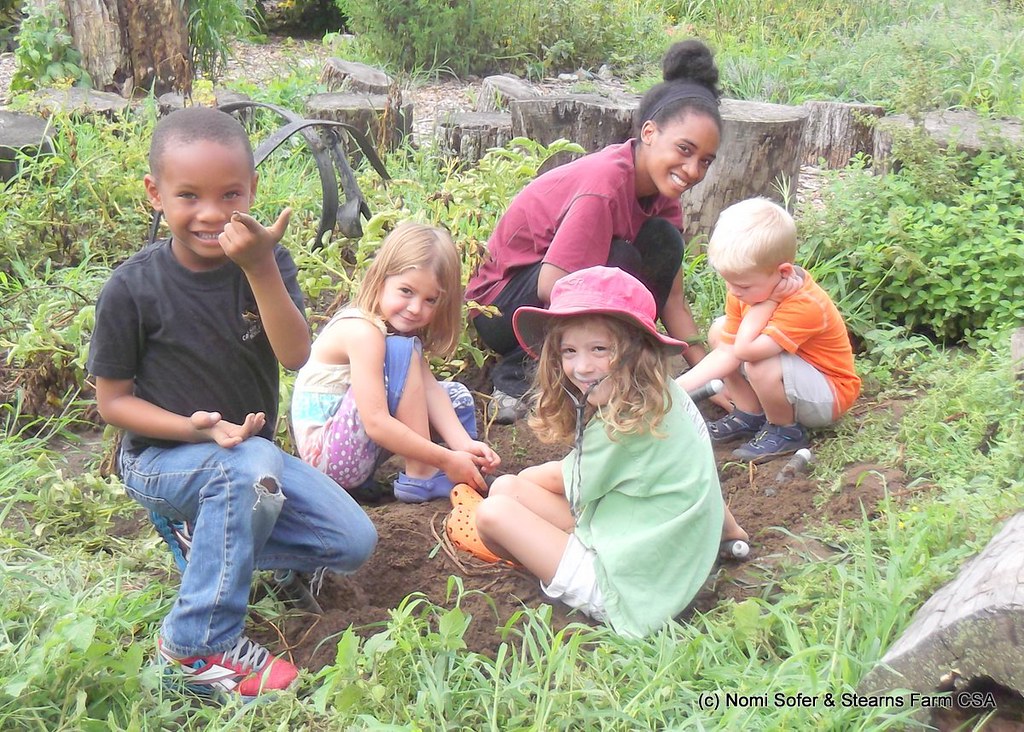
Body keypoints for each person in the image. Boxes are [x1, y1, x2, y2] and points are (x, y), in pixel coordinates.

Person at [87, 106, 378, 702]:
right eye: (188, 195)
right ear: (155, 193)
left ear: (253, 192)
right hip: (162, 459)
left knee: (353, 541)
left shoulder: (264, 263)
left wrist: (260, 267)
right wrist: (190, 430)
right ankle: (197, 646)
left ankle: (212, 538)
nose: (212, 213)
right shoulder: (133, 288)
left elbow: (297, 355)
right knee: (247, 471)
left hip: (251, 460)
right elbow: (113, 405)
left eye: (230, 194)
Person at [448, 266, 748, 638]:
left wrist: (518, 482)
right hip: (669, 557)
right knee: (508, 490)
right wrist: (732, 533)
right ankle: (530, 534)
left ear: (635, 351)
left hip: (631, 590)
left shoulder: (622, 426)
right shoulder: (666, 396)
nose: (582, 366)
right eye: (569, 351)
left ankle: (519, 550)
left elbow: (561, 479)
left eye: (600, 350)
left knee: (495, 511)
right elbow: (705, 481)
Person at [466, 38, 724, 424]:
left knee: (659, 245)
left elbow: (671, 301)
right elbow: (552, 284)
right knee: (617, 266)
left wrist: (712, 373)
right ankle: (520, 375)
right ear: (649, 133)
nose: (693, 171)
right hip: (502, 308)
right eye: (684, 150)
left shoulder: (663, 194)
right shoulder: (604, 185)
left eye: (705, 161)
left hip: (563, 294)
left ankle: (602, 362)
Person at [291, 221, 500, 503]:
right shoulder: (363, 332)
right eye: (406, 291)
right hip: (330, 461)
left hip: (355, 449)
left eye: (430, 300)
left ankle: (460, 467)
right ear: (380, 280)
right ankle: (423, 474)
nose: (416, 308)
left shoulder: (395, 334)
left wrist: (464, 446)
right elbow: (376, 423)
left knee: (456, 398)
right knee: (401, 353)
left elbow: (429, 390)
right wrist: (445, 457)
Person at [676, 197, 861, 461]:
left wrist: (769, 304)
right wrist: (675, 387)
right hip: (793, 381)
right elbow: (729, 349)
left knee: (759, 364)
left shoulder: (804, 304)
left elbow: (746, 350)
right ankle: (749, 413)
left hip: (827, 396)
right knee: (719, 331)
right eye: (728, 282)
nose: (734, 292)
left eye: (743, 285)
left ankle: (785, 431)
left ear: (783, 271)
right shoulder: (745, 290)